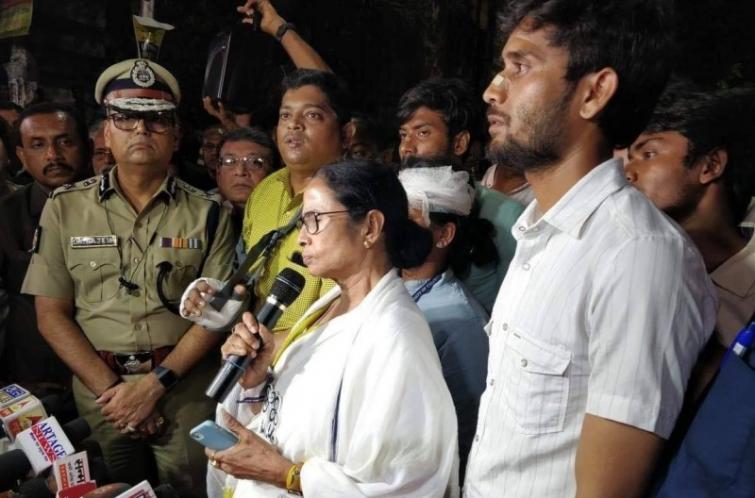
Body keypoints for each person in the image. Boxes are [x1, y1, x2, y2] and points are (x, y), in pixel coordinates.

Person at [463, 2, 718, 497]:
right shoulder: (541, 234)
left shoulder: (639, 258)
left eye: (521, 66)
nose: (493, 90)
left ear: (594, 93)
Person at [21, 58, 235, 495]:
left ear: (175, 135)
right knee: (107, 488)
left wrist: (153, 388)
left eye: (156, 121)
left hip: (184, 392)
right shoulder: (65, 208)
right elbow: (51, 313)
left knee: (191, 490)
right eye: (125, 118)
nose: (141, 130)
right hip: (102, 395)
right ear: (105, 133)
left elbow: (217, 314)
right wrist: (117, 393)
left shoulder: (209, 212)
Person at [185, 160, 459, 497]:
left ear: (371, 227)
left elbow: (405, 482)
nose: (301, 238)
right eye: (302, 222)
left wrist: (285, 475)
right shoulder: (329, 305)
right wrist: (256, 385)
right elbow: (297, 424)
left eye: (315, 220)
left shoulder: (396, 336)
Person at [184, 69, 352, 344]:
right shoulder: (266, 191)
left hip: (318, 356)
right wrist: (220, 299)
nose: (294, 125)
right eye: (285, 115)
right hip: (258, 353)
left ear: (346, 134)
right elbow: (251, 282)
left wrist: (271, 346)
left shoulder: (358, 201)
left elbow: (350, 312)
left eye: (312, 115)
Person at [625, 85, 755, 394]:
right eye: (629, 159)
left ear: (710, 166)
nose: (628, 173)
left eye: (648, 154)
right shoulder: (636, 269)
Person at [396, 77, 524, 312]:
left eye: (422, 133)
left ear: (459, 143)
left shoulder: (508, 216)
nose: (407, 147)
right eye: (403, 135)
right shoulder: (395, 203)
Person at [398, 164, 490, 484]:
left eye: (408, 220)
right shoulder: (385, 284)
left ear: (444, 234)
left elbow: (469, 431)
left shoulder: (462, 322)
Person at [0, 102, 90, 393]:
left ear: (85, 147)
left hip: (115, 372)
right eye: (38, 145)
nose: (53, 155)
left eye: (64, 142)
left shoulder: (117, 209)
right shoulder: (6, 216)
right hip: (35, 379)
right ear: (21, 155)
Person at [215, 127, 280, 265]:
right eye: (229, 161)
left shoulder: (286, 217)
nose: (240, 171)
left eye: (255, 162)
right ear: (218, 172)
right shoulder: (202, 214)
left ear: (274, 172)